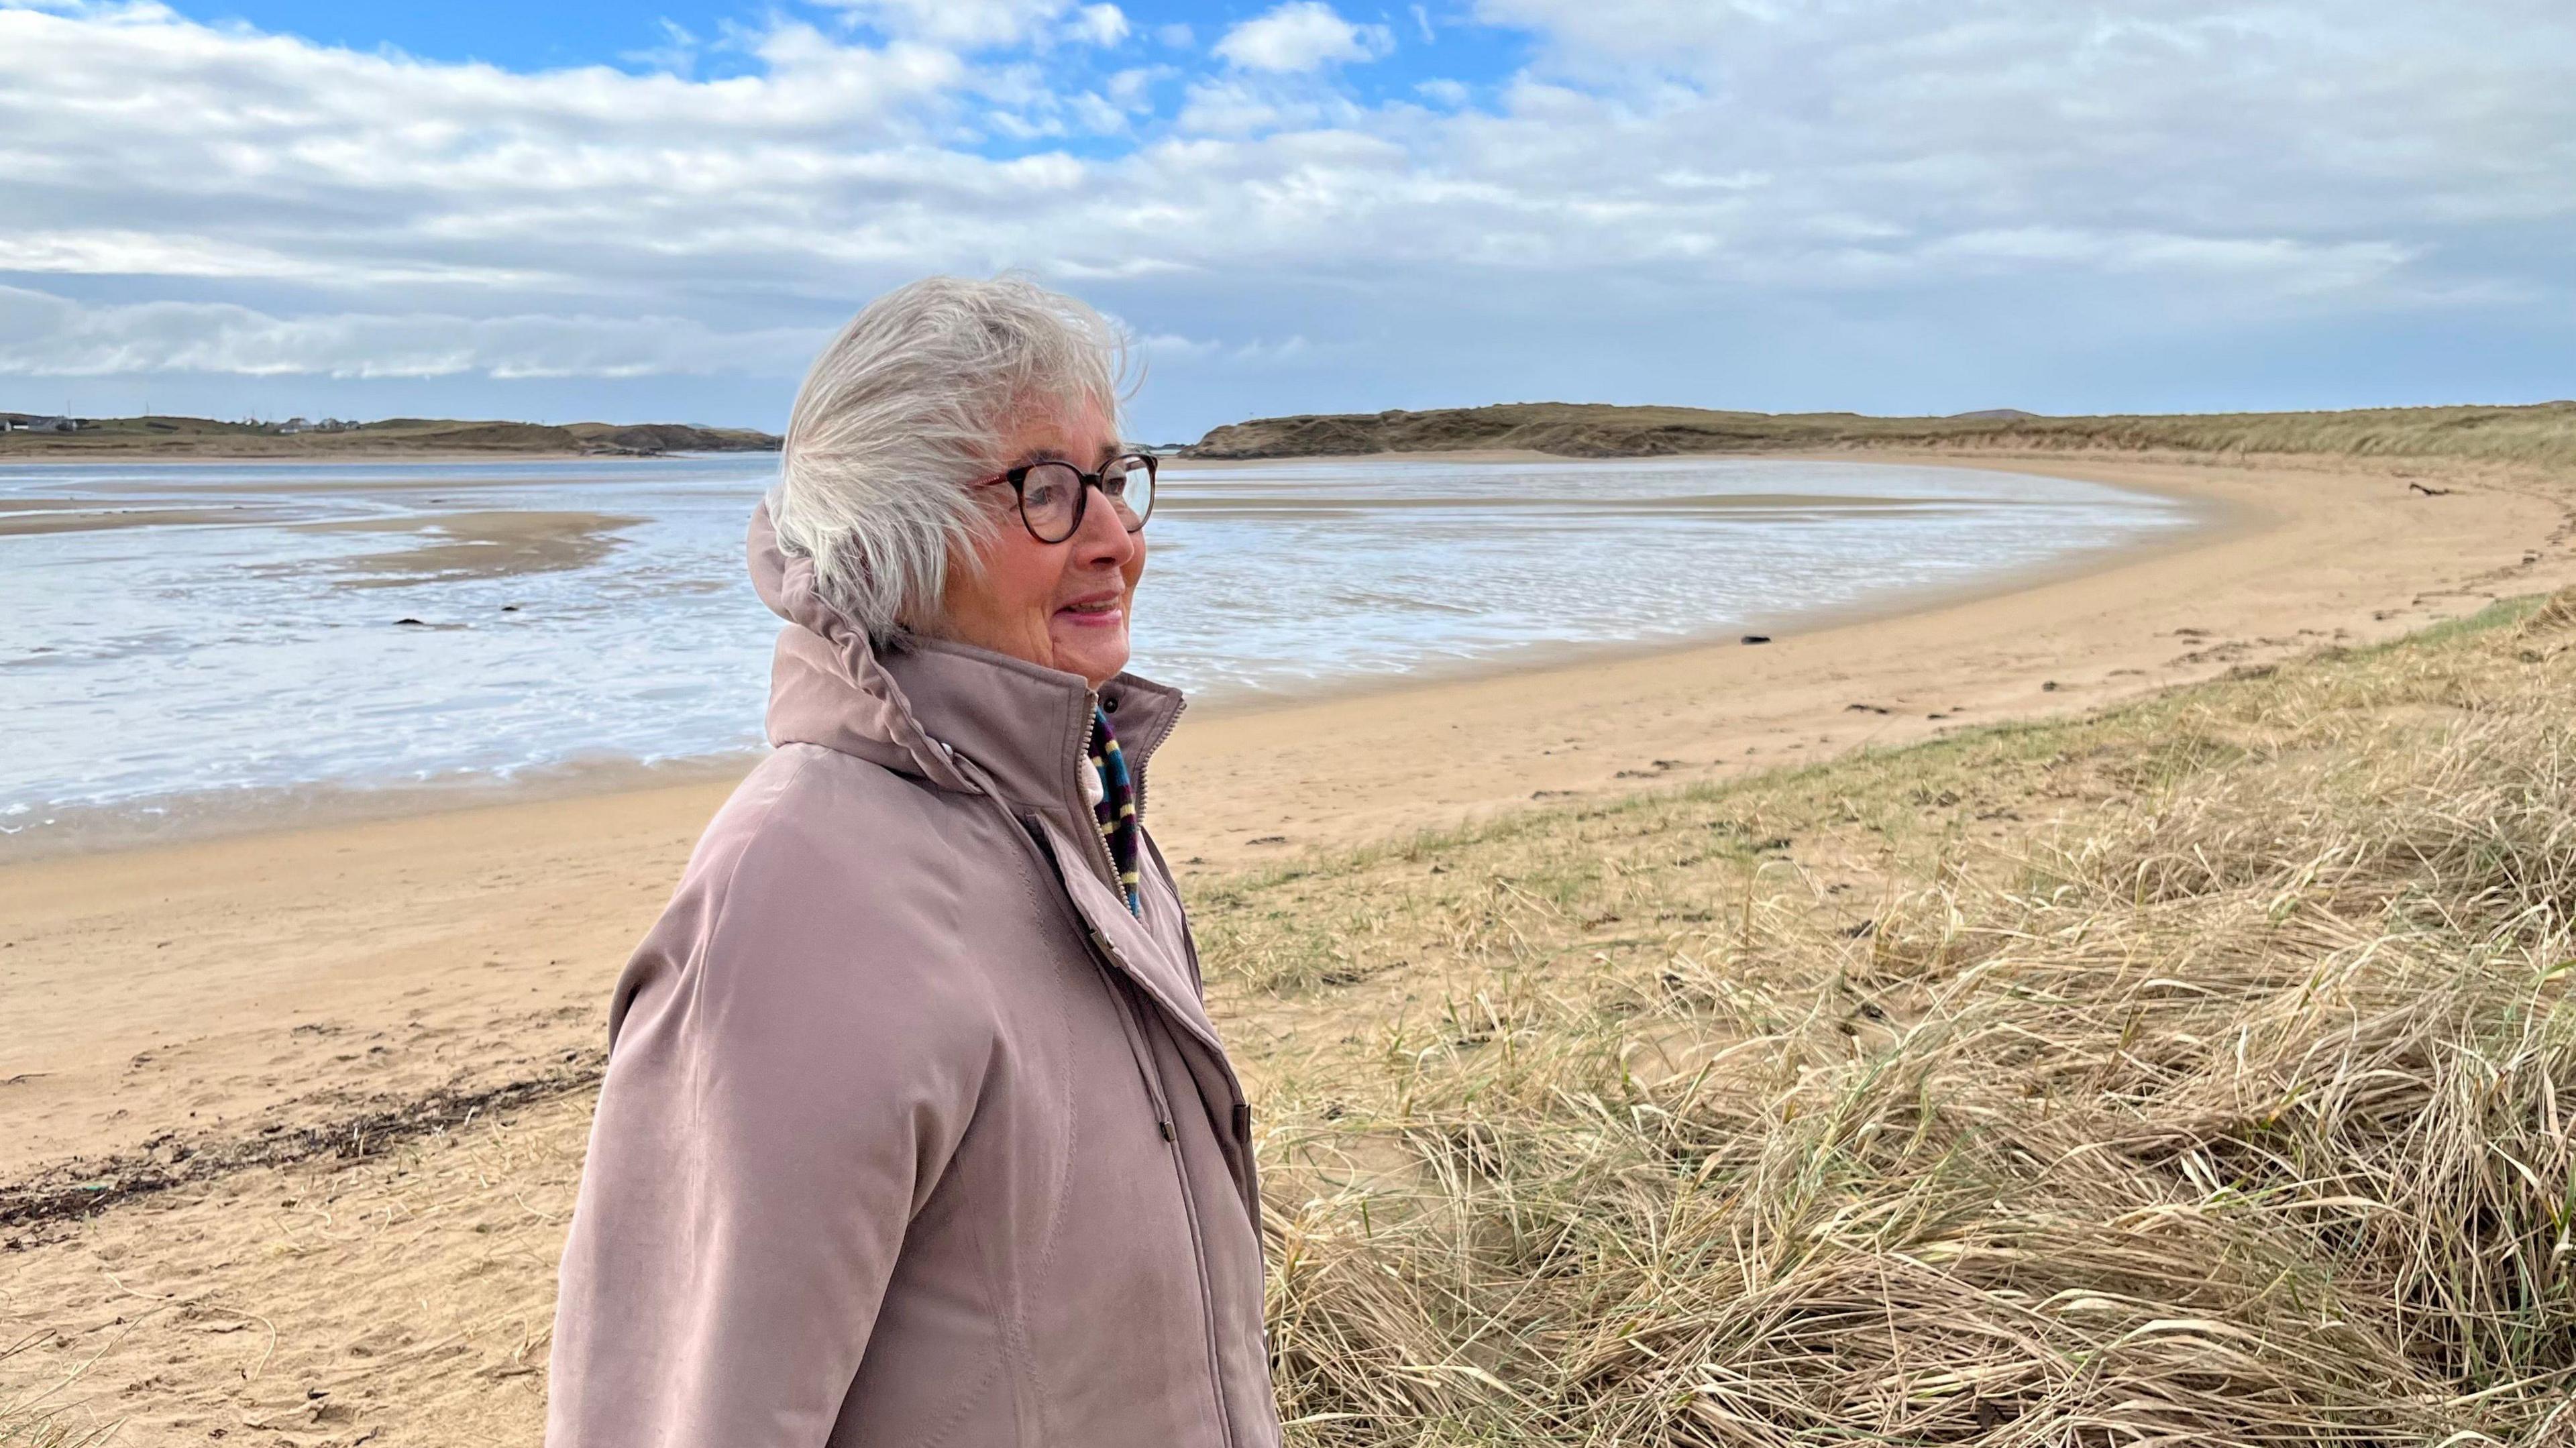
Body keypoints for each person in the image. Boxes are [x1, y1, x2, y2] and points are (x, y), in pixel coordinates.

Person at [546, 276, 1279, 1447]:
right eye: (1045, 490)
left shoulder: (1081, 810)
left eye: (1114, 478)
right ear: (894, 535)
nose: (1115, 538)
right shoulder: (797, 891)